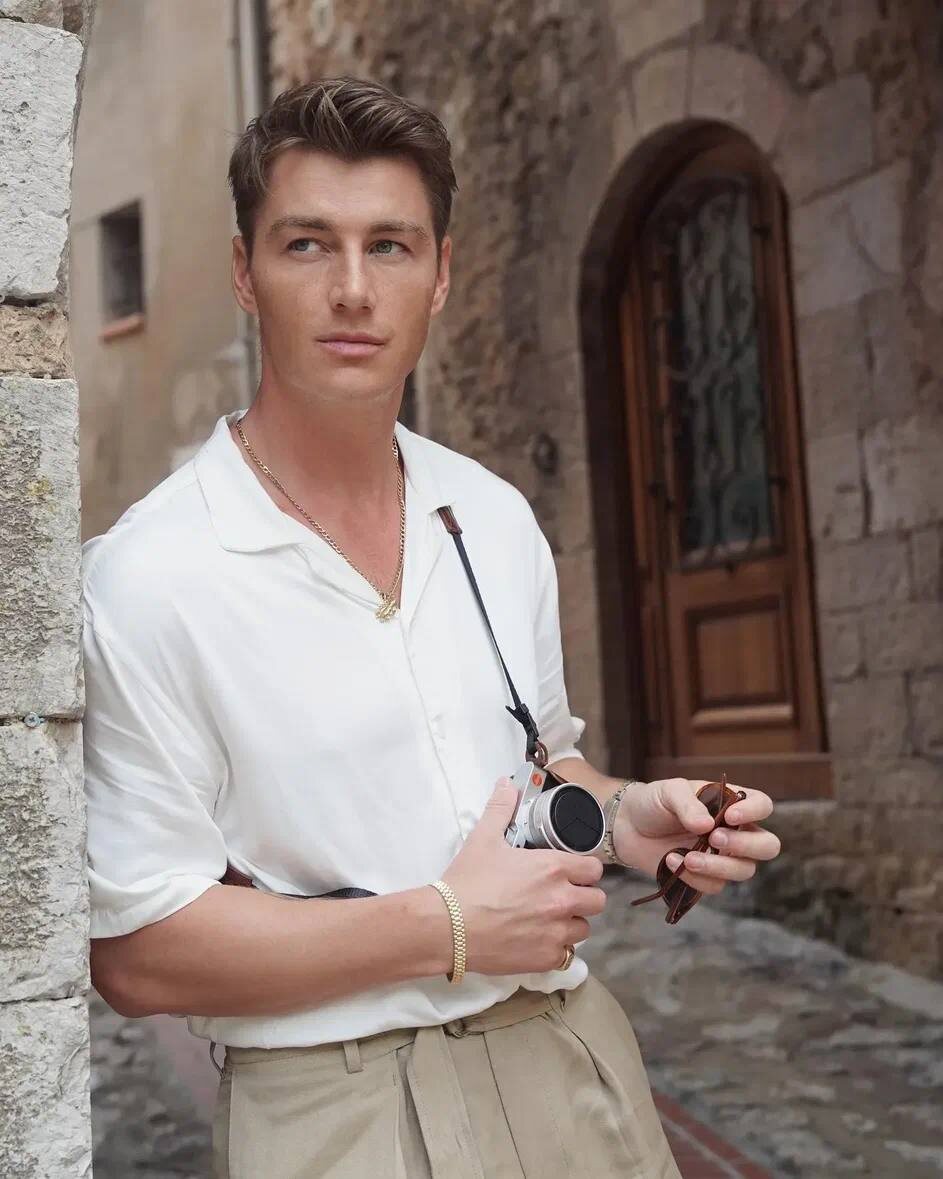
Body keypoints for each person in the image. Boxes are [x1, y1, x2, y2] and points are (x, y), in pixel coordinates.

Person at [82, 76, 782, 1179]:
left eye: (390, 246)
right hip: (335, 1110)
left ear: (441, 273)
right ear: (244, 273)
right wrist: (448, 926)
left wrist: (624, 816)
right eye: (307, 245)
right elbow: (137, 953)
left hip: (571, 1063)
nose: (353, 289)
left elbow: (538, 770)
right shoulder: (147, 576)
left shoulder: (492, 517)